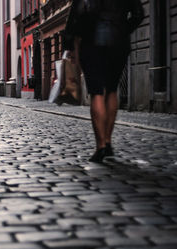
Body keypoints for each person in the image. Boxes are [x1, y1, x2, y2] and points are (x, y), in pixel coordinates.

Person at [63, 0, 144, 163]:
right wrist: (122, 29)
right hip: (118, 43)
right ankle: (108, 141)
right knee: (112, 89)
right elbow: (139, 14)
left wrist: (69, 44)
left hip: (91, 43)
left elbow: (74, 18)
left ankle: (100, 146)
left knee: (97, 92)